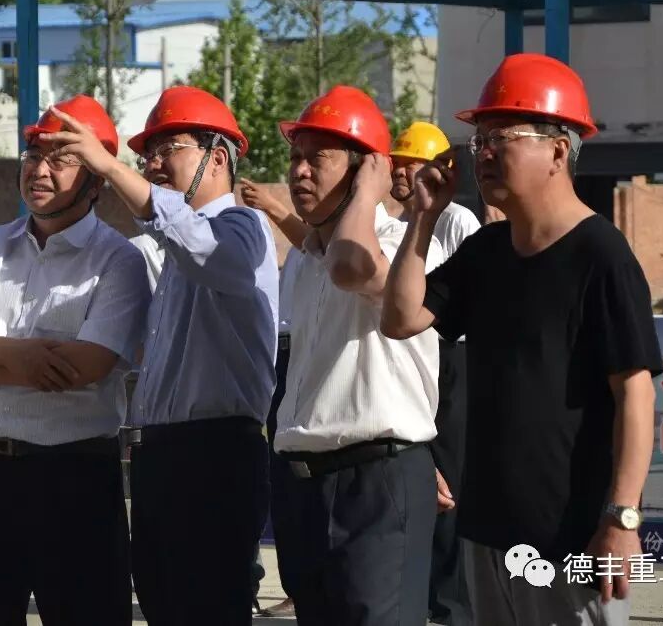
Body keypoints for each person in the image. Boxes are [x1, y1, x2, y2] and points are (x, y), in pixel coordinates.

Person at [382, 53, 663, 626]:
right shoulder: (485, 253)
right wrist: (424, 218)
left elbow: (635, 394)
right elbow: (401, 318)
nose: (482, 153)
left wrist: (622, 519)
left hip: (572, 541)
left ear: (558, 150)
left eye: (501, 137)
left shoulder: (600, 256)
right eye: (479, 139)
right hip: (487, 535)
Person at [39, 85, 278, 626]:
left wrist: (108, 166)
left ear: (219, 157)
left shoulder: (242, 229)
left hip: (215, 456)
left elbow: (206, 251)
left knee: (208, 605)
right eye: (148, 153)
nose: (152, 164)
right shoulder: (172, 253)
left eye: (169, 148)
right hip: (162, 457)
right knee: (164, 601)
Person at [0, 94, 149, 626]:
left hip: (75, 479)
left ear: (95, 182)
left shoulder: (118, 260)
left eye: (62, 158)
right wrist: (15, 352)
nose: (40, 171)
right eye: (33, 155)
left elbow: (87, 365)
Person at [273, 86, 445, 626]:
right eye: (295, 157)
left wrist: (369, 195)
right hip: (307, 483)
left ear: (366, 168)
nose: (300, 172)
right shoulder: (304, 261)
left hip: (376, 481)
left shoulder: (405, 247)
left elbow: (352, 268)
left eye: (317, 158)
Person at [390, 122, 479, 626]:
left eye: (411, 164)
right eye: (396, 164)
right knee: (421, 477)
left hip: (451, 361)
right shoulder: (398, 224)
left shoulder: (458, 221)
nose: (401, 173)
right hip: (411, 357)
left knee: (450, 480)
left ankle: (452, 603)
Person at [239, 179, 308, 621]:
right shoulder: (300, 246)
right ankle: (294, 586)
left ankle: (305, 588)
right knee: (281, 479)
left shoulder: (328, 238)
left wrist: (272, 207)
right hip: (281, 357)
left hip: (306, 357)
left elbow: (323, 247)